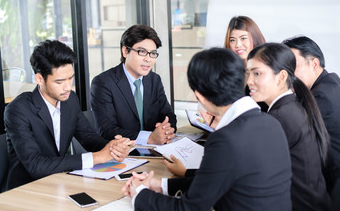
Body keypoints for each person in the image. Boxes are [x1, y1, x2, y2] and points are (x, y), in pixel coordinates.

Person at [122, 48, 292, 211]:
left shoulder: (225, 139)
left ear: (199, 96)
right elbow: (212, 180)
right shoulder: (271, 123)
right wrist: (160, 185)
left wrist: (139, 193)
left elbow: (189, 208)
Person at [5, 40, 134, 190]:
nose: (68, 87)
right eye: (59, 82)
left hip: (59, 181)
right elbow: (36, 165)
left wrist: (112, 147)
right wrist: (97, 157)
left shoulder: (70, 100)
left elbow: (88, 137)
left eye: (70, 78)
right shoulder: (18, 110)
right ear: (39, 79)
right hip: (26, 189)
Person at [246, 42, 331, 210]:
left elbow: (245, 170)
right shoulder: (291, 106)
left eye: (257, 73)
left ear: (282, 77)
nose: (249, 81)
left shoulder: (279, 117)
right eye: (248, 73)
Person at [91, 25, 176, 145]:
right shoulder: (103, 83)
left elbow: (168, 115)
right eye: (142, 52)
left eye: (153, 53)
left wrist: (166, 129)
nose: (148, 59)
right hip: (123, 154)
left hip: (155, 151)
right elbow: (106, 130)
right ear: (125, 51)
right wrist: (149, 138)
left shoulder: (154, 80)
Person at [283, 35, 340, 207]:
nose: (288, 75)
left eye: (293, 67)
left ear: (314, 64)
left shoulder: (321, 96)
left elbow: (291, 130)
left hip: (331, 185)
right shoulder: (331, 82)